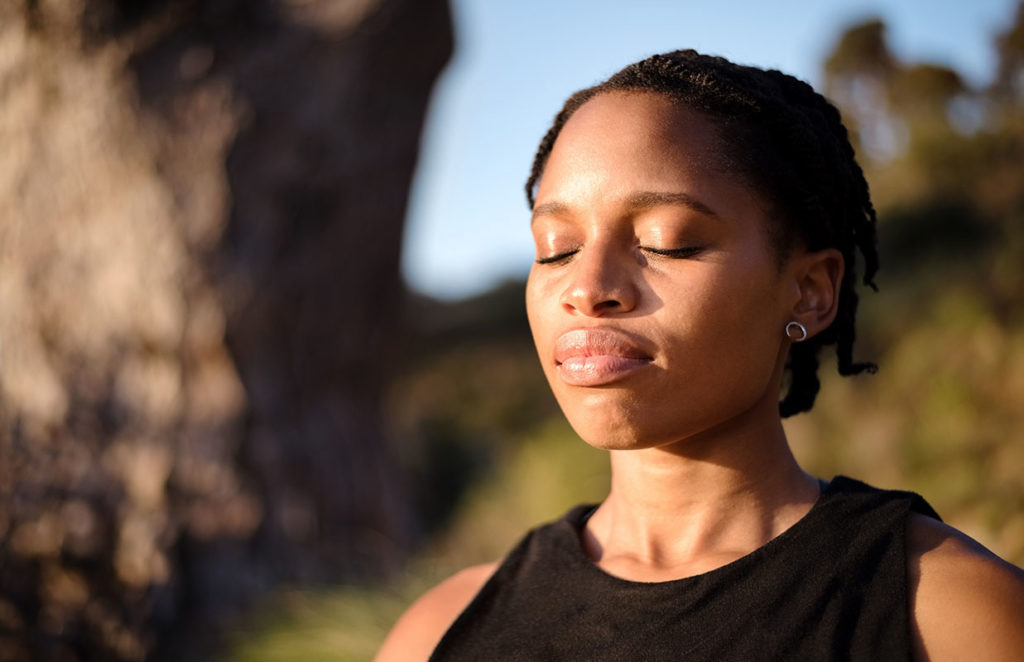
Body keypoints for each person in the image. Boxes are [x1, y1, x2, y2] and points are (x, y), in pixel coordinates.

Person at [376, 50, 1024, 661]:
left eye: (669, 241)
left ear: (809, 291)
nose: (587, 288)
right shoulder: (439, 632)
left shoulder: (943, 614)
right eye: (556, 247)